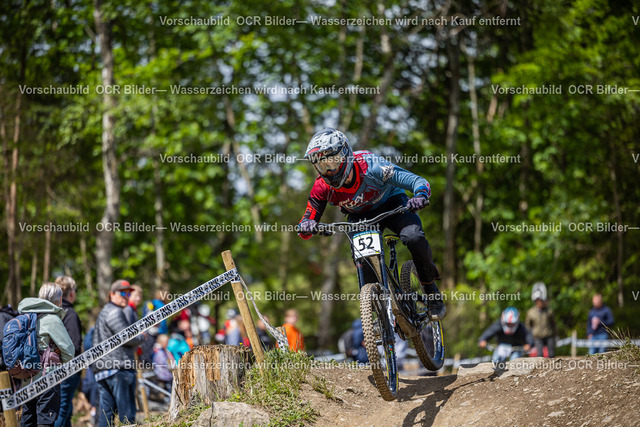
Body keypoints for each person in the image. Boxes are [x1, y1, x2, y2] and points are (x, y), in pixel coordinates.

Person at [297, 128, 445, 320]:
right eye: (322, 166)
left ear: (346, 155)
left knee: (413, 237)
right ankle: (379, 317)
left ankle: (431, 291)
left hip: (392, 205)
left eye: (332, 162)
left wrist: (420, 195)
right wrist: (307, 225)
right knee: (365, 264)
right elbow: (307, 221)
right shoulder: (322, 187)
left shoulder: (372, 166)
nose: (329, 170)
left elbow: (417, 181)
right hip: (359, 218)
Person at [18, 282, 75, 427]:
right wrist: (59, 362)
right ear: (59, 300)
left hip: (26, 378)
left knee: (28, 420)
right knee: (45, 421)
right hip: (47, 378)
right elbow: (69, 351)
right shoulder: (51, 319)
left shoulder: (27, 317)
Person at [93, 280, 142, 427]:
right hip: (118, 369)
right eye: (122, 293)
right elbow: (127, 337)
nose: (126, 296)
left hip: (104, 370)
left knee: (106, 416)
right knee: (127, 415)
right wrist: (142, 336)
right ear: (111, 294)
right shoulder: (115, 312)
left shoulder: (105, 311)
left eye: (128, 293)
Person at [53, 276, 84, 427]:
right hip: (67, 370)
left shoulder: (52, 312)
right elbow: (75, 345)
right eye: (75, 290)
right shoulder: (70, 313)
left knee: (66, 410)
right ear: (71, 293)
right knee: (63, 410)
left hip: (52, 369)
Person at [525, 282, 556, 358]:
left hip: (549, 336)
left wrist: (555, 335)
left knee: (551, 355)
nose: (540, 303)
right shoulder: (530, 312)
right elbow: (528, 326)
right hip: (537, 337)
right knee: (540, 355)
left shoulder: (549, 311)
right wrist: (530, 337)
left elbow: (553, 324)